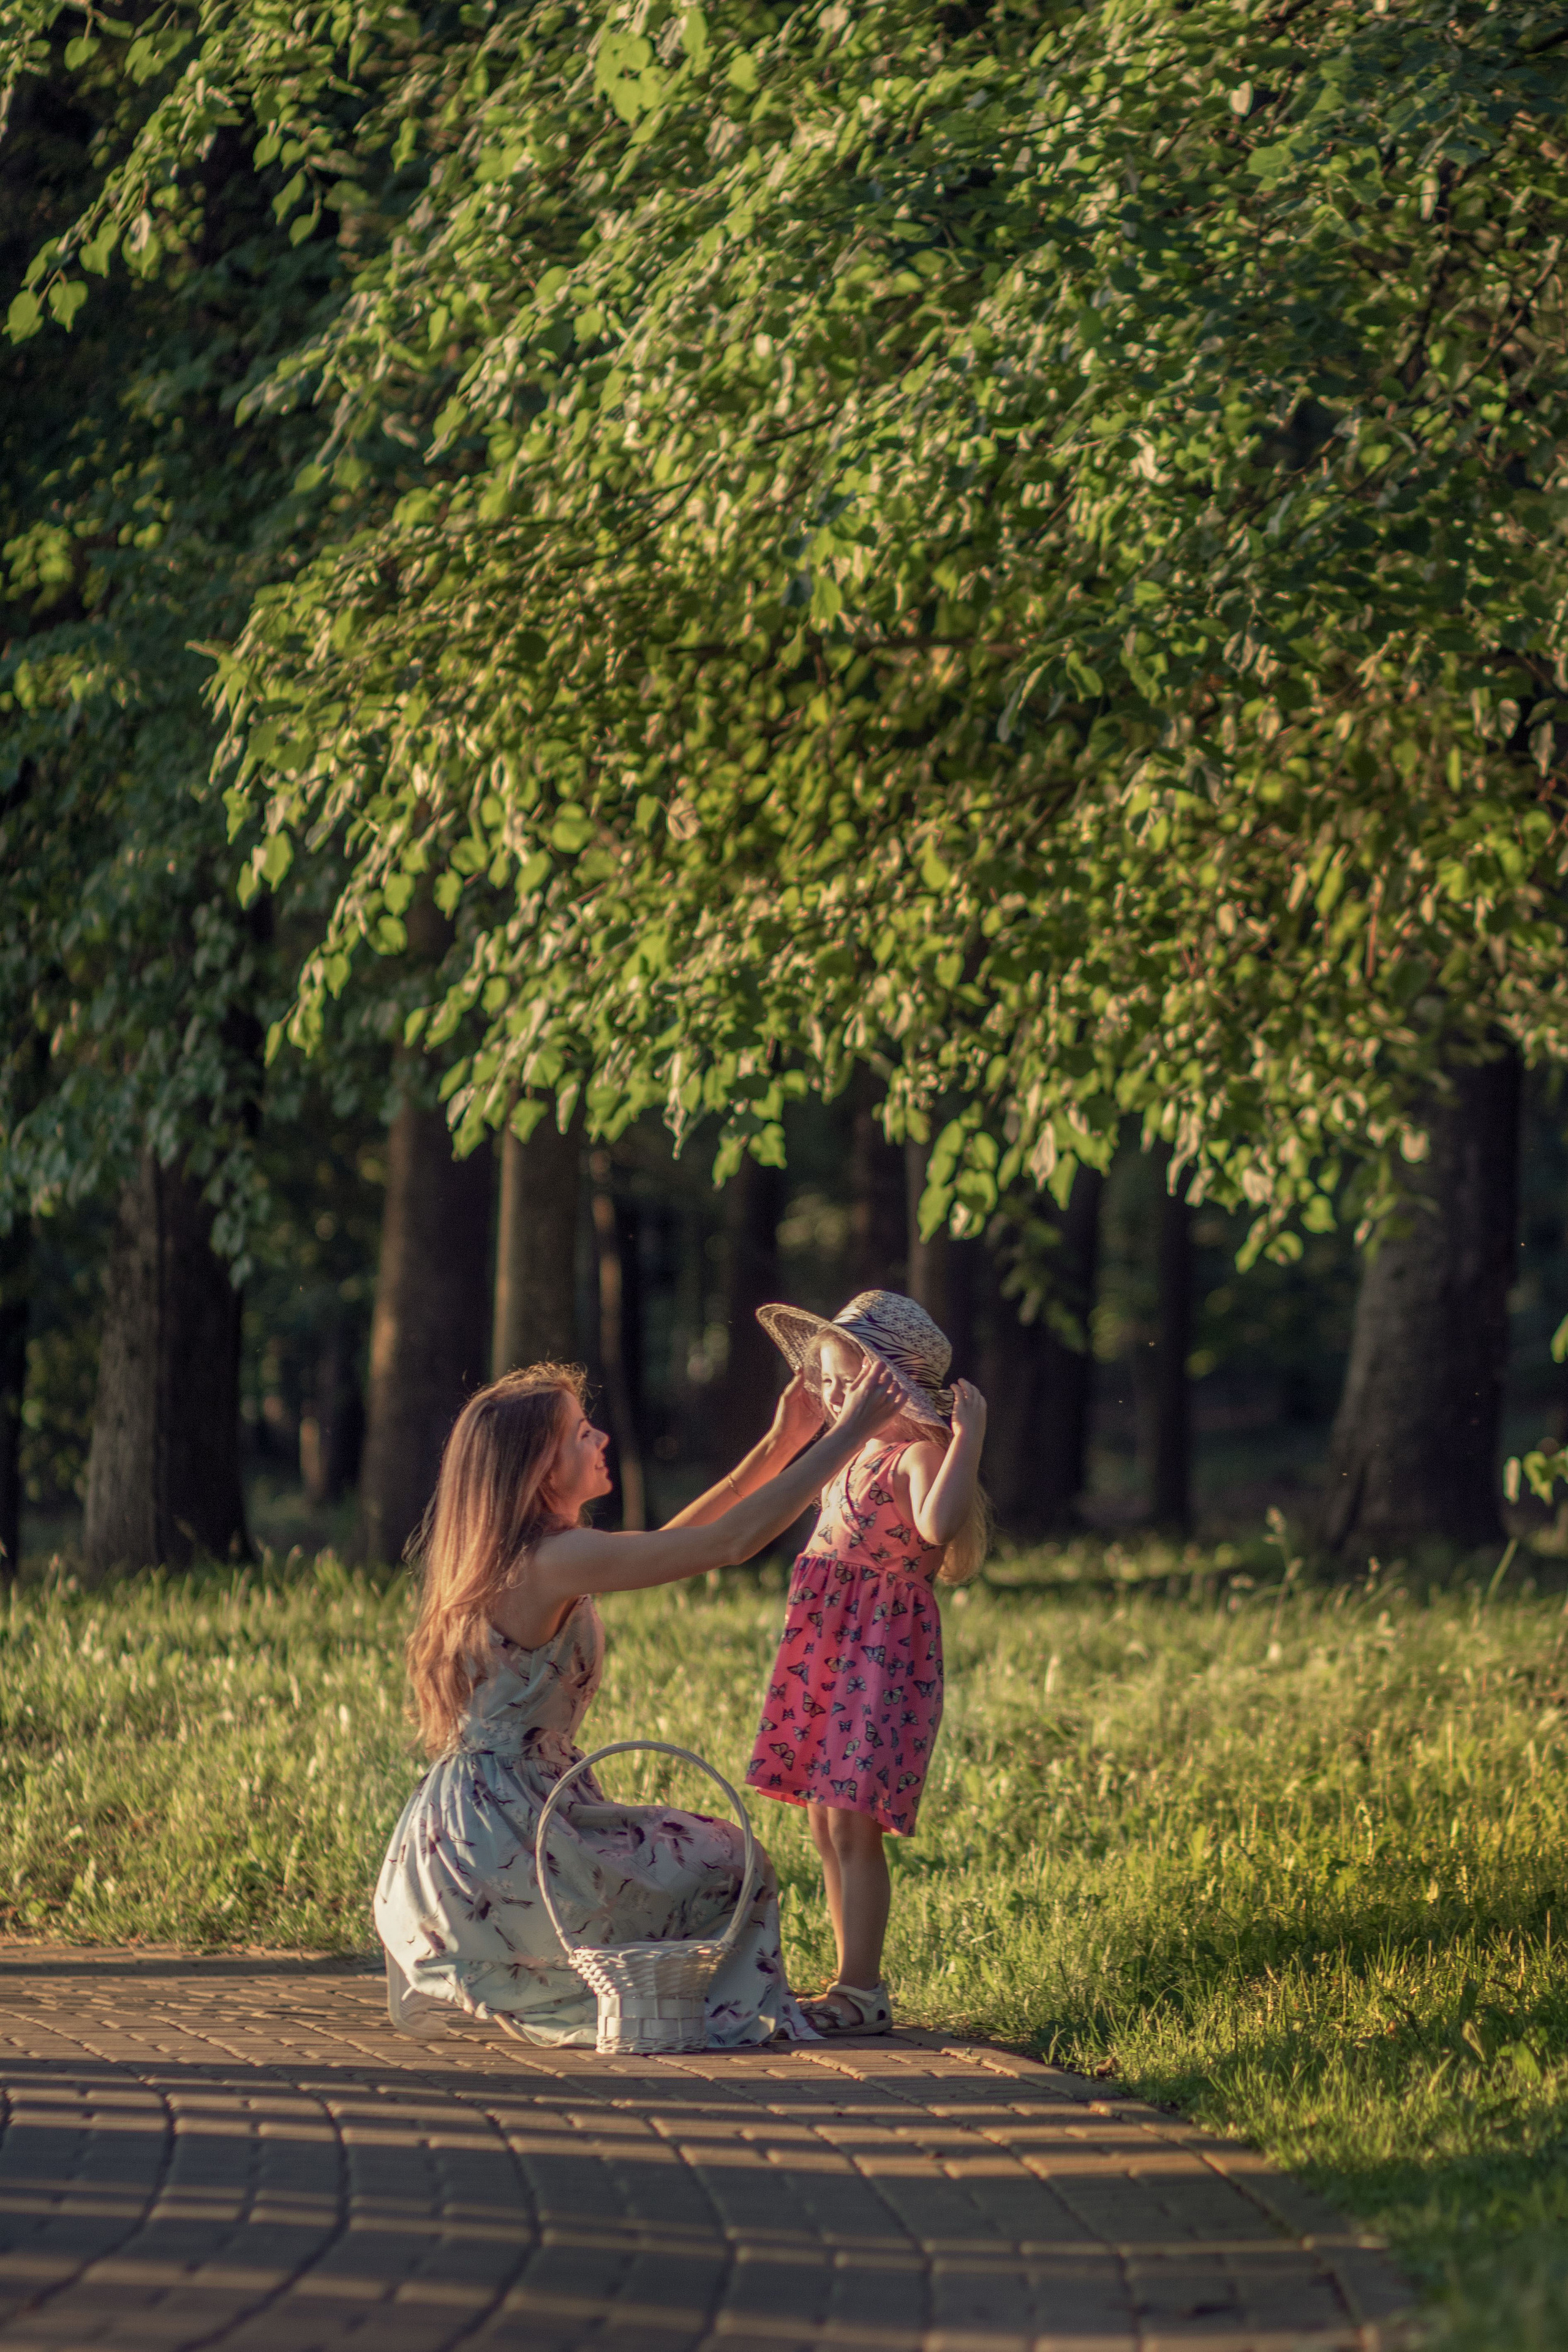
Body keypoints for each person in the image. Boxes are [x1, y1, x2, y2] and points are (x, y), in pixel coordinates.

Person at [375, 1350, 903, 2047]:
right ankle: (682, 2002)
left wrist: (783, 1442)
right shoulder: (551, 1560)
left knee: (710, 1857)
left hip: (482, 1821)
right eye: (580, 1433)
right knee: (730, 1862)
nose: (600, 1438)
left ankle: (652, 1991)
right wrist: (850, 1434)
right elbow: (729, 1543)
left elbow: (676, 1543)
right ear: (540, 1469)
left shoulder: (534, 1552)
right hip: (502, 1839)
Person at [745, 1290, 989, 2036]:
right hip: (827, 1648)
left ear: (897, 1388)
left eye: (848, 1382)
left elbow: (937, 1526)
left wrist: (968, 1437)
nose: (833, 1395)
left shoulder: (916, 1456)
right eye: (828, 1381)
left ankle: (862, 1986)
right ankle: (847, 1981)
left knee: (853, 1821)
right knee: (825, 1821)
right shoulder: (845, 1460)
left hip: (878, 1654)